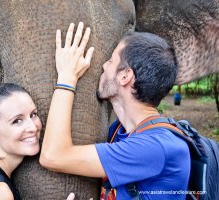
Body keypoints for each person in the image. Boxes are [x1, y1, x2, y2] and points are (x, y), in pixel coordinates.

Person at [40, 22, 190, 200]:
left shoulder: (156, 147)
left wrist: (67, 77)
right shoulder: (119, 132)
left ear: (125, 76)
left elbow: (53, 156)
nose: (104, 66)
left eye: (111, 60)